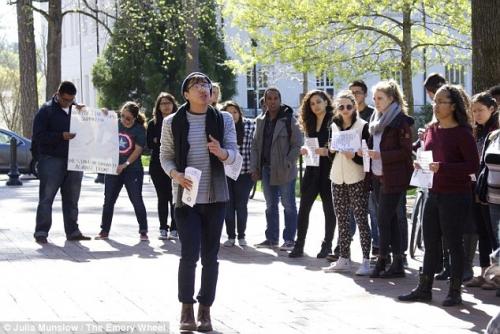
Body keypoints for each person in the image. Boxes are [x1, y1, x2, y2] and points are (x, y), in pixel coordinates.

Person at [160, 72, 239, 332]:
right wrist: (176, 174)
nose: (202, 89)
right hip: (186, 198)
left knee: (211, 257)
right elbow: (165, 156)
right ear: (186, 94)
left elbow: (233, 154)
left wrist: (222, 152)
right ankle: (186, 308)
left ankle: (205, 309)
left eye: (205, 84)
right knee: (189, 254)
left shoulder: (224, 118)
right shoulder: (172, 121)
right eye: (196, 86)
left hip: (215, 197)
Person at [399, 85, 479, 306]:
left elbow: (473, 165)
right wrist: (421, 164)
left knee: (453, 243)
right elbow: (429, 157)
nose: (436, 105)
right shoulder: (432, 130)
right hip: (432, 193)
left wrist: (442, 167)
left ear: (453, 106)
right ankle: (424, 288)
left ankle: (455, 291)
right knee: (430, 242)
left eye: (441, 101)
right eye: (435, 101)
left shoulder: (463, 133)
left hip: (455, 195)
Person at [32, 81, 91, 244]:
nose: (68, 103)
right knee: (47, 197)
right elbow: (38, 136)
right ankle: (41, 232)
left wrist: (90, 113)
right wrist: (60, 136)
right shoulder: (46, 110)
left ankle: (73, 231)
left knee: (72, 198)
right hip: (52, 159)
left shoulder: (78, 110)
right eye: (65, 100)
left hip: (75, 159)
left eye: (71, 100)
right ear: (58, 94)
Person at [367, 80, 414, 279]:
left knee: (384, 218)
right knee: (390, 219)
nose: (376, 102)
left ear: (391, 99)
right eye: (374, 98)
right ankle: (396, 262)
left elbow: (405, 152)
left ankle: (383, 259)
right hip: (377, 175)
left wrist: (381, 156)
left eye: (380, 98)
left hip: (393, 176)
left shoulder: (400, 121)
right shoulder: (376, 119)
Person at [322, 90, 371, 275]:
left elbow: (366, 157)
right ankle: (344, 257)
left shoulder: (363, 126)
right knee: (341, 219)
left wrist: (356, 156)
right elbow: (330, 153)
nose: (345, 110)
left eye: (349, 106)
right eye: (341, 106)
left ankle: (366, 260)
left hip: (356, 177)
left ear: (355, 107)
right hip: (337, 177)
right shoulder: (333, 126)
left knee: (360, 219)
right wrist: (331, 150)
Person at [251, 87, 303, 251]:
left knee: (288, 205)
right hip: (266, 169)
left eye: (275, 98)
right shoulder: (260, 120)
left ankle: (289, 240)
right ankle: (271, 238)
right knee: (270, 205)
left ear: (280, 100)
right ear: (264, 101)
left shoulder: (289, 120)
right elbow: (255, 146)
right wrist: (255, 167)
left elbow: (297, 144)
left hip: (284, 169)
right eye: (269, 99)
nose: (272, 101)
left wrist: (288, 161)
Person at [288, 90, 336, 258]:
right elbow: (310, 144)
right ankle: (299, 244)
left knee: (329, 209)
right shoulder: (309, 121)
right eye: (312, 103)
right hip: (312, 168)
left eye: (318, 102)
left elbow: (338, 146)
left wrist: (327, 151)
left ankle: (327, 245)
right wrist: (304, 149)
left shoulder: (334, 120)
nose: (315, 106)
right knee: (304, 208)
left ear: (326, 102)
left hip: (329, 169)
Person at [96, 102, 149, 241]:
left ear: (134, 118)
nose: (124, 120)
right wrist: (102, 114)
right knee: (108, 201)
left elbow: (138, 150)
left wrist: (124, 164)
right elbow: (100, 128)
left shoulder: (139, 130)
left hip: (133, 170)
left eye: (128, 118)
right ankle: (104, 230)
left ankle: (143, 230)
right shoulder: (115, 124)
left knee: (136, 199)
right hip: (113, 169)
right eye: (122, 116)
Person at [466, 92, 499, 289]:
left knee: (494, 234)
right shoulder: (478, 130)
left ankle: (496, 274)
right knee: (483, 231)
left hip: (492, 190)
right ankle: (485, 272)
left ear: (492, 109)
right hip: (480, 187)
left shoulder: (494, 131)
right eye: (474, 110)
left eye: (480, 110)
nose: (477, 114)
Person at [221, 101, 256, 247]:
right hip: (226, 173)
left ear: (239, 113)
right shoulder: (221, 127)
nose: (232, 115)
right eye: (229, 113)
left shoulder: (249, 125)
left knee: (241, 205)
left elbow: (256, 147)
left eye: (235, 112)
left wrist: (255, 168)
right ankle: (230, 236)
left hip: (245, 172)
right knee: (228, 206)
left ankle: (242, 235)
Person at [147, 92, 178, 240]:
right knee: (162, 197)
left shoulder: (179, 121)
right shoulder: (153, 123)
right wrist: (158, 141)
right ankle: (162, 227)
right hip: (157, 166)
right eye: (162, 103)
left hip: (175, 165)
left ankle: (175, 227)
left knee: (175, 197)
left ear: (173, 104)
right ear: (158, 107)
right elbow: (150, 144)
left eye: (168, 103)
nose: (166, 106)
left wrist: (158, 140)